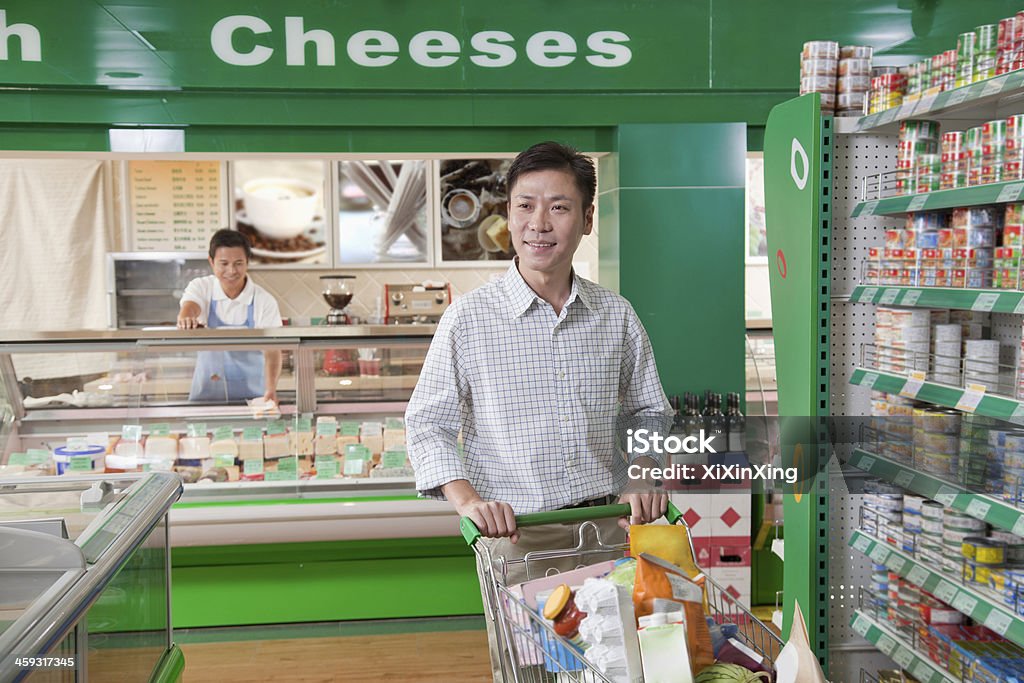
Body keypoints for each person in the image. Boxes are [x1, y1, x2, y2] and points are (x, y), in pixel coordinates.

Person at [405, 141, 674, 681]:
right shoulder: (468, 319)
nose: (539, 223)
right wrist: (469, 503)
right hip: (518, 539)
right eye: (525, 205)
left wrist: (642, 477)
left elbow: (650, 410)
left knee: (621, 669)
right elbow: (427, 422)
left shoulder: (616, 316)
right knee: (532, 674)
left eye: (559, 206)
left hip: (610, 529)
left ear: (587, 218)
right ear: (508, 216)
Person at [177, 229, 283, 404]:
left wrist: (271, 389)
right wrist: (187, 317)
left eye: (238, 263)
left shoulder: (264, 300)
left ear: (248, 262)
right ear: (211, 262)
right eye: (223, 263)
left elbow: (273, 351)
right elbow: (191, 306)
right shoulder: (201, 287)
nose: (231, 271)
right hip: (207, 395)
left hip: (253, 398)